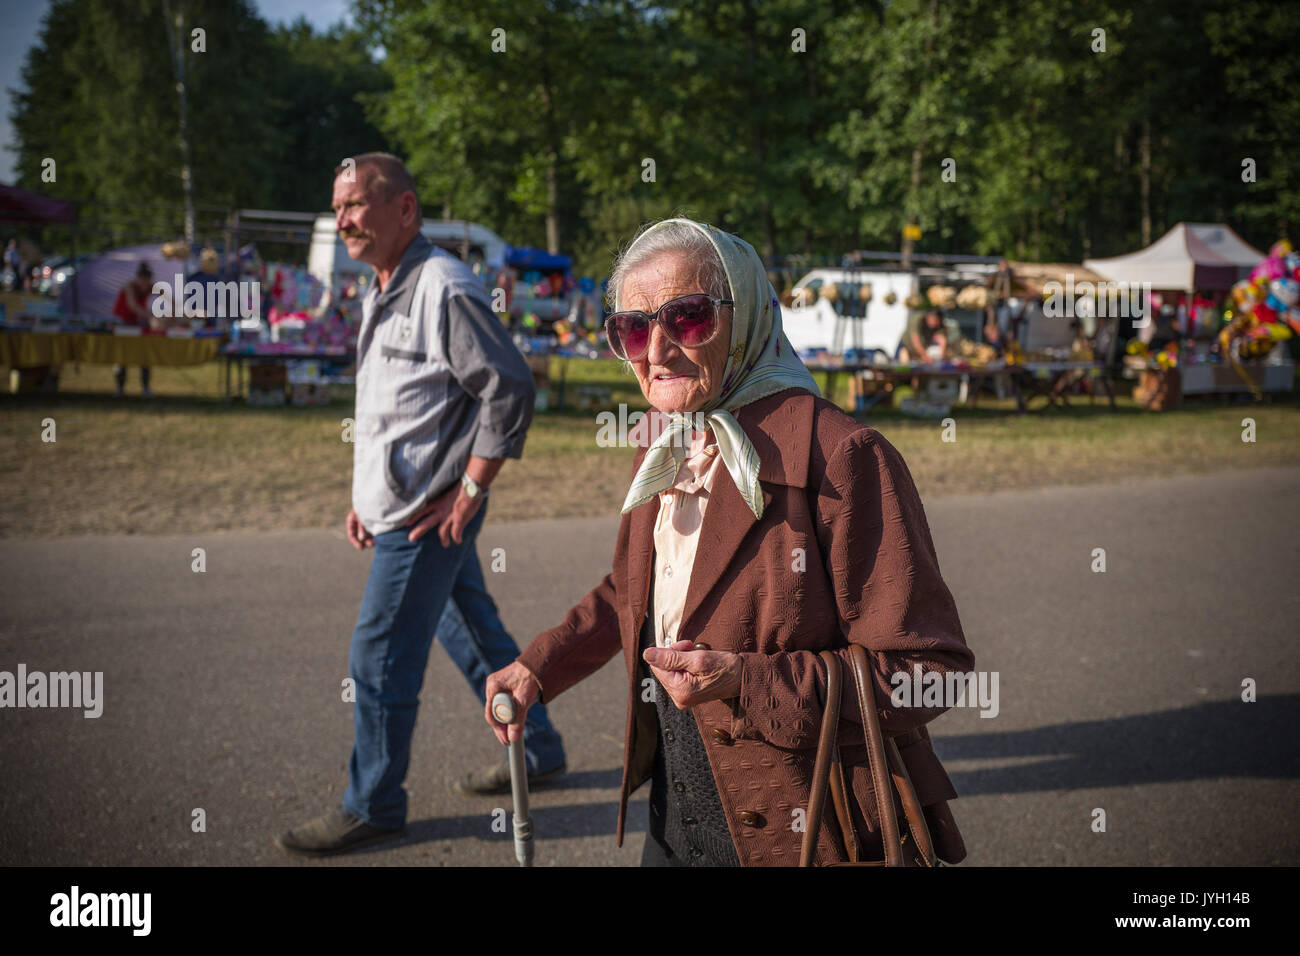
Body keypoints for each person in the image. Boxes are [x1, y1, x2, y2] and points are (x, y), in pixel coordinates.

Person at [484, 218, 974, 866]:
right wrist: (540, 666)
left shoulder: (842, 456)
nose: (654, 350)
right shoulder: (664, 442)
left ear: (744, 319)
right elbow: (634, 588)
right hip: (676, 816)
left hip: (808, 830)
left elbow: (929, 676)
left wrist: (748, 680)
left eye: (685, 318)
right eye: (631, 328)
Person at [275, 152, 566, 857]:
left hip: (430, 514)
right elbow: (394, 411)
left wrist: (470, 491)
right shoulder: (382, 284)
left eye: (356, 205)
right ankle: (541, 748)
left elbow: (510, 389)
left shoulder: (445, 286)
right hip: (401, 508)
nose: (342, 219)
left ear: (404, 209)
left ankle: (373, 803)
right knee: (465, 626)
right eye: (337, 206)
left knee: (378, 653)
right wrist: (362, 498)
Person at [112, 262, 155, 397]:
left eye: (147, 280)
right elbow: (133, 306)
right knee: (123, 357)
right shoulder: (129, 286)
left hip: (139, 325)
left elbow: (169, 300)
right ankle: (120, 388)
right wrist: (153, 315)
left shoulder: (152, 287)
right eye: (142, 279)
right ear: (137, 278)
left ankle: (145, 387)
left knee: (144, 356)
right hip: (123, 324)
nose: (144, 283)